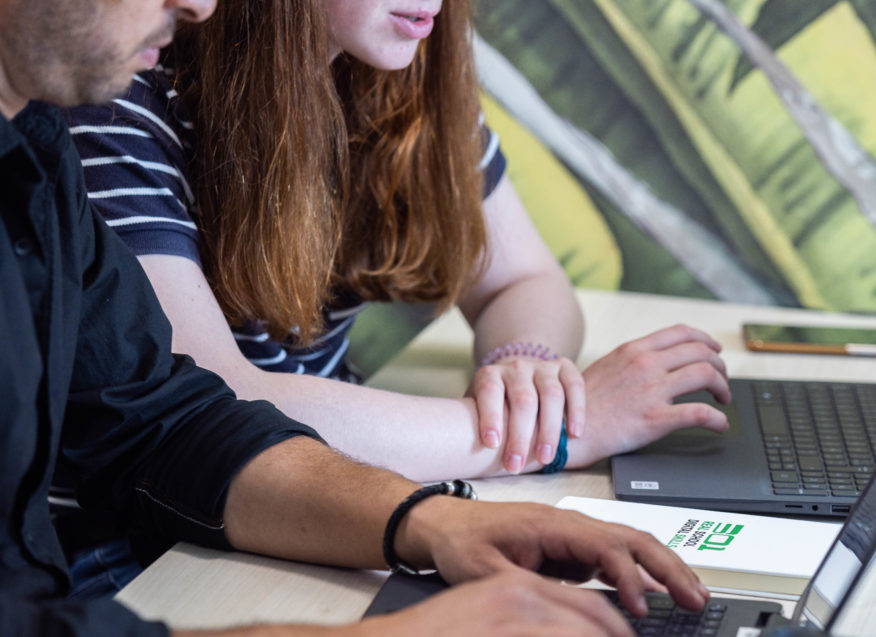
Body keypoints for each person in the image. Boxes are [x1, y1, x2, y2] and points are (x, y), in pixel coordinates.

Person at [0, 0, 710, 637]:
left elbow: (167, 423)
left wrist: (431, 522)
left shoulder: (32, 151)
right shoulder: (108, 108)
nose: (203, 4)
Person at [65, 0, 732, 485]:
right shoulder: (117, 106)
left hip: (326, 489)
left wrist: (522, 369)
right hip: (162, 550)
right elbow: (215, 404)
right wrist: (540, 434)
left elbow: (522, 279)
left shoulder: (400, 80)